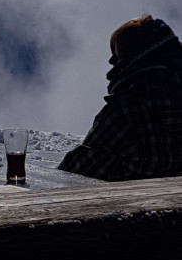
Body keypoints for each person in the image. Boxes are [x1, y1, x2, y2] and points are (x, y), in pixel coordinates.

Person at [58, 14, 182, 181]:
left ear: (135, 57)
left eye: (117, 53)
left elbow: (75, 170)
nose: (111, 61)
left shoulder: (126, 108)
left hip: (129, 204)